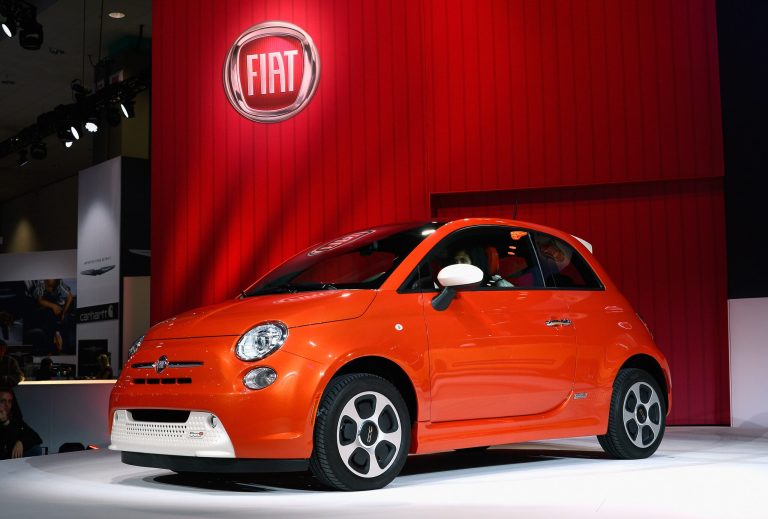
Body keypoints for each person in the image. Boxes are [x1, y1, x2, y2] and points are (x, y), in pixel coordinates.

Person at [0, 387, 42, 459]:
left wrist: (21, 442)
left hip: (10, 460)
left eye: (9, 401)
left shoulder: (13, 418)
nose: (7, 405)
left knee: (36, 448)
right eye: (3, 401)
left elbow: (36, 438)